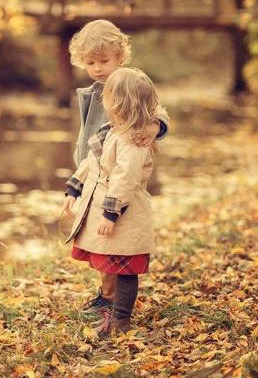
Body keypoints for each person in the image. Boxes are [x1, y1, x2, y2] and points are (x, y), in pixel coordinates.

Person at [67, 19, 170, 315]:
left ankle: (115, 301)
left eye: (104, 61)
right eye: (90, 62)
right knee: (100, 239)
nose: (98, 68)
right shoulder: (92, 91)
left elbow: (158, 110)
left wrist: (155, 125)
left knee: (116, 238)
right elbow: (88, 132)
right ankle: (106, 294)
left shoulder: (131, 85)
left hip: (121, 172)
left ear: (120, 57)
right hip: (94, 171)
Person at [61, 67, 162, 336]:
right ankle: (111, 309)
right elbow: (91, 163)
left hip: (126, 213)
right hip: (112, 206)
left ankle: (120, 320)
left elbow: (126, 178)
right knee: (116, 262)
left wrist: (111, 213)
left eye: (107, 98)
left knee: (126, 267)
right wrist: (74, 188)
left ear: (118, 104)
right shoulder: (114, 130)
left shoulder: (133, 140)